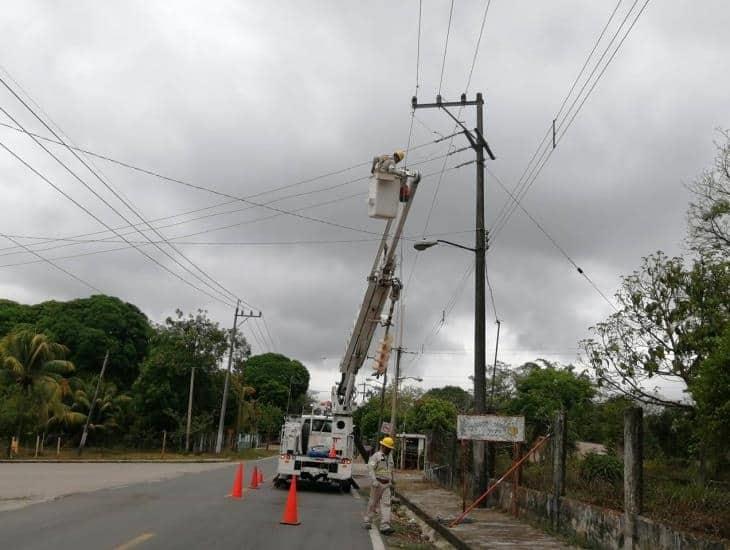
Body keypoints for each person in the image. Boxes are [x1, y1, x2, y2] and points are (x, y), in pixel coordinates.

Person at [363, 436, 396, 534]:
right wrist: (373, 480)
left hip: (386, 484)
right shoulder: (376, 456)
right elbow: (370, 468)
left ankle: (384, 526)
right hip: (377, 483)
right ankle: (368, 520)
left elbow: (391, 470)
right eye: (388, 448)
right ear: (383, 446)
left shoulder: (390, 457)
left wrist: (393, 481)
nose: (389, 450)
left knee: (386, 504)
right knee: (373, 503)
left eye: (390, 448)